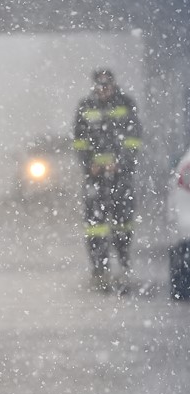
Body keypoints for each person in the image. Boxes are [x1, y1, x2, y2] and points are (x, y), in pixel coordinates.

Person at [72, 68, 142, 292]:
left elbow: (134, 139)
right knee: (95, 226)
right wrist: (88, 164)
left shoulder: (126, 104)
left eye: (107, 85)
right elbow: (79, 141)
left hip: (121, 177)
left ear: (113, 84)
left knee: (122, 223)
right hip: (95, 178)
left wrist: (121, 162)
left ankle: (123, 265)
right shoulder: (86, 107)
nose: (104, 90)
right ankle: (100, 269)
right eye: (100, 86)